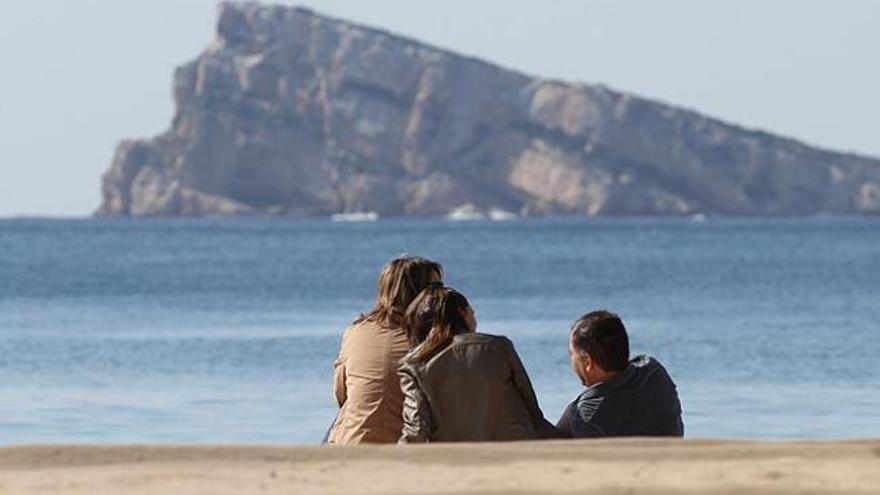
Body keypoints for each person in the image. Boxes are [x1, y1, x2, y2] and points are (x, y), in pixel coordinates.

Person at [398, 285, 558, 442]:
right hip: (514, 450)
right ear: (462, 312)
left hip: (454, 458)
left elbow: (416, 429)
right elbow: (532, 409)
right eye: (472, 314)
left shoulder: (414, 365)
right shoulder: (498, 347)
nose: (475, 321)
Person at [327, 255, 443, 444]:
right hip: (405, 445)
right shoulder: (433, 339)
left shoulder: (356, 331)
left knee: (344, 415)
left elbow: (341, 393)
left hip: (352, 443)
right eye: (436, 288)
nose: (443, 294)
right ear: (419, 293)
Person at [556, 310, 684, 438]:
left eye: (572, 354)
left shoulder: (587, 415)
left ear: (588, 362)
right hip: (675, 455)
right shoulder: (653, 371)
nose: (571, 360)